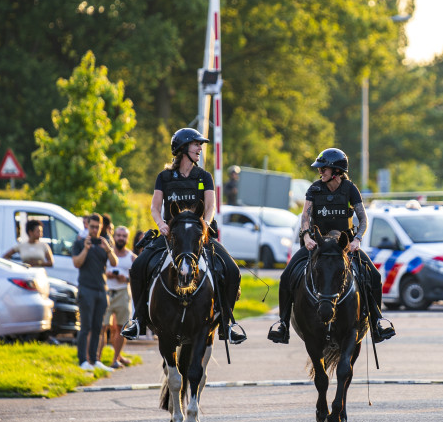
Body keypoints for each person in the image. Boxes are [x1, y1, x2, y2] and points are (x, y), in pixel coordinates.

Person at [120, 127, 247, 345]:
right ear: (183, 148)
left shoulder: (204, 177)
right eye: (196, 144)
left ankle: (227, 322)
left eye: (200, 145)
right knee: (139, 266)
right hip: (172, 236)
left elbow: (211, 205)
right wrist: (161, 224)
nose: (200, 148)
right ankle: (138, 319)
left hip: (199, 235)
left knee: (233, 270)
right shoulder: (164, 177)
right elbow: (155, 207)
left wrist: (205, 224)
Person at [267, 148, 395, 344]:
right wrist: (307, 236)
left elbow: (363, 219)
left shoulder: (350, 189)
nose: (320, 172)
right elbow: (305, 217)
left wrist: (357, 239)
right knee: (286, 276)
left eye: (323, 168)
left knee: (374, 276)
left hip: (344, 246)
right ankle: (283, 324)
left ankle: (377, 322)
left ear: (336, 170)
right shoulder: (314, 189)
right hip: (317, 245)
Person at [72, 213, 118, 371]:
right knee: (85, 327)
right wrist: (85, 249)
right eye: (91, 226)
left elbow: (114, 262)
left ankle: (94, 359)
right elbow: (76, 263)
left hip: (102, 290)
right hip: (86, 289)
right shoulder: (80, 243)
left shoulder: (104, 243)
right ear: (87, 226)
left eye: (97, 227)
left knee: (98, 327)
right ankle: (82, 361)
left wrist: (108, 249)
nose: (94, 230)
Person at [102, 225, 135, 368]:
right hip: (106, 291)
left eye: (124, 236)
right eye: (118, 235)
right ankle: (97, 359)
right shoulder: (106, 254)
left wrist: (125, 279)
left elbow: (138, 278)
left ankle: (116, 358)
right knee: (103, 327)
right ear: (114, 237)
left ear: (127, 239)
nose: (121, 238)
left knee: (122, 328)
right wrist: (107, 274)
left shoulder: (132, 257)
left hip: (123, 292)